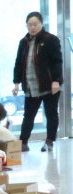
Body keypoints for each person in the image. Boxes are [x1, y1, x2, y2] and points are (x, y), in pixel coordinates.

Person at [12, 11, 63, 152]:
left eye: (35, 24)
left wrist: (56, 80)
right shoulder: (24, 42)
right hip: (31, 85)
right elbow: (18, 63)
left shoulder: (51, 39)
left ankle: (49, 141)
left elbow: (57, 61)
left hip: (49, 84)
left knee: (51, 113)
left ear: (42, 23)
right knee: (28, 115)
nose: (32, 27)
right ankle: (23, 142)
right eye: (29, 25)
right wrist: (16, 83)